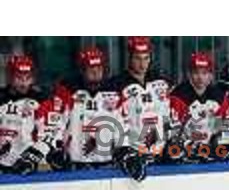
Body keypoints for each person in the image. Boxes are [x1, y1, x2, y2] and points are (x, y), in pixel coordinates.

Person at [48, 47, 145, 178]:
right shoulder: (68, 91)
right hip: (74, 167)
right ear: (82, 70)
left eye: (99, 69)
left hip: (108, 166)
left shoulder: (113, 92)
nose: (95, 73)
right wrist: (55, 148)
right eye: (91, 69)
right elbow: (57, 124)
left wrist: (126, 151)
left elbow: (121, 126)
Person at [110, 37, 174, 168]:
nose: (142, 64)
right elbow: (115, 122)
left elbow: (168, 114)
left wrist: (171, 139)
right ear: (130, 58)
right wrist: (124, 151)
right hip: (133, 156)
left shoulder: (161, 82)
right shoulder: (117, 85)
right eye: (137, 58)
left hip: (160, 155)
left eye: (146, 58)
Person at [0, 54, 61, 175]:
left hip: (29, 165)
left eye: (27, 78)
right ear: (10, 77)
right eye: (19, 78)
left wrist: (31, 157)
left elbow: (50, 134)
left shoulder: (42, 99)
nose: (24, 83)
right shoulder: (1, 97)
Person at [170, 52, 228, 161]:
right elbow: (173, 131)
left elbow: (223, 126)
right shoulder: (178, 95)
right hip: (184, 153)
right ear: (189, 74)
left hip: (210, 151)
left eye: (204, 73)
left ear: (211, 75)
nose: (200, 77)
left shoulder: (220, 96)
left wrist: (217, 139)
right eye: (196, 73)